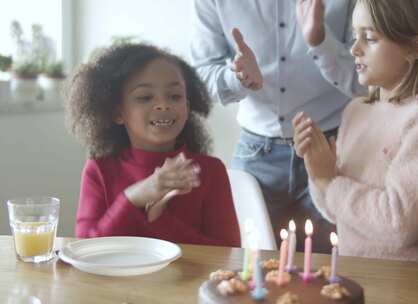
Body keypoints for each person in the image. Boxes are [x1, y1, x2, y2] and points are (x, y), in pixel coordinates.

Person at [190, 0, 366, 253]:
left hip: (333, 151)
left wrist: (320, 42)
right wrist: (237, 78)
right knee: (250, 271)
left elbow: (365, 79)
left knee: (332, 273)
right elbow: (199, 77)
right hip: (255, 154)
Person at [293, 0, 418, 262]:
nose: (355, 49)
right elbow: (336, 213)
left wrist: (330, 182)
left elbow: (398, 226)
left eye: (369, 38)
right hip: (354, 274)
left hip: (408, 284)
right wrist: (317, 170)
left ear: (414, 48)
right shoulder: (355, 111)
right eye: (355, 35)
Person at [66, 43, 240, 247]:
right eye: (145, 97)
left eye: (175, 96)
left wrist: (160, 220)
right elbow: (86, 248)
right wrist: (133, 197)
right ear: (117, 112)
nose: (163, 105)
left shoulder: (211, 171)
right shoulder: (98, 171)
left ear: (187, 105)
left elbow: (227, 255)